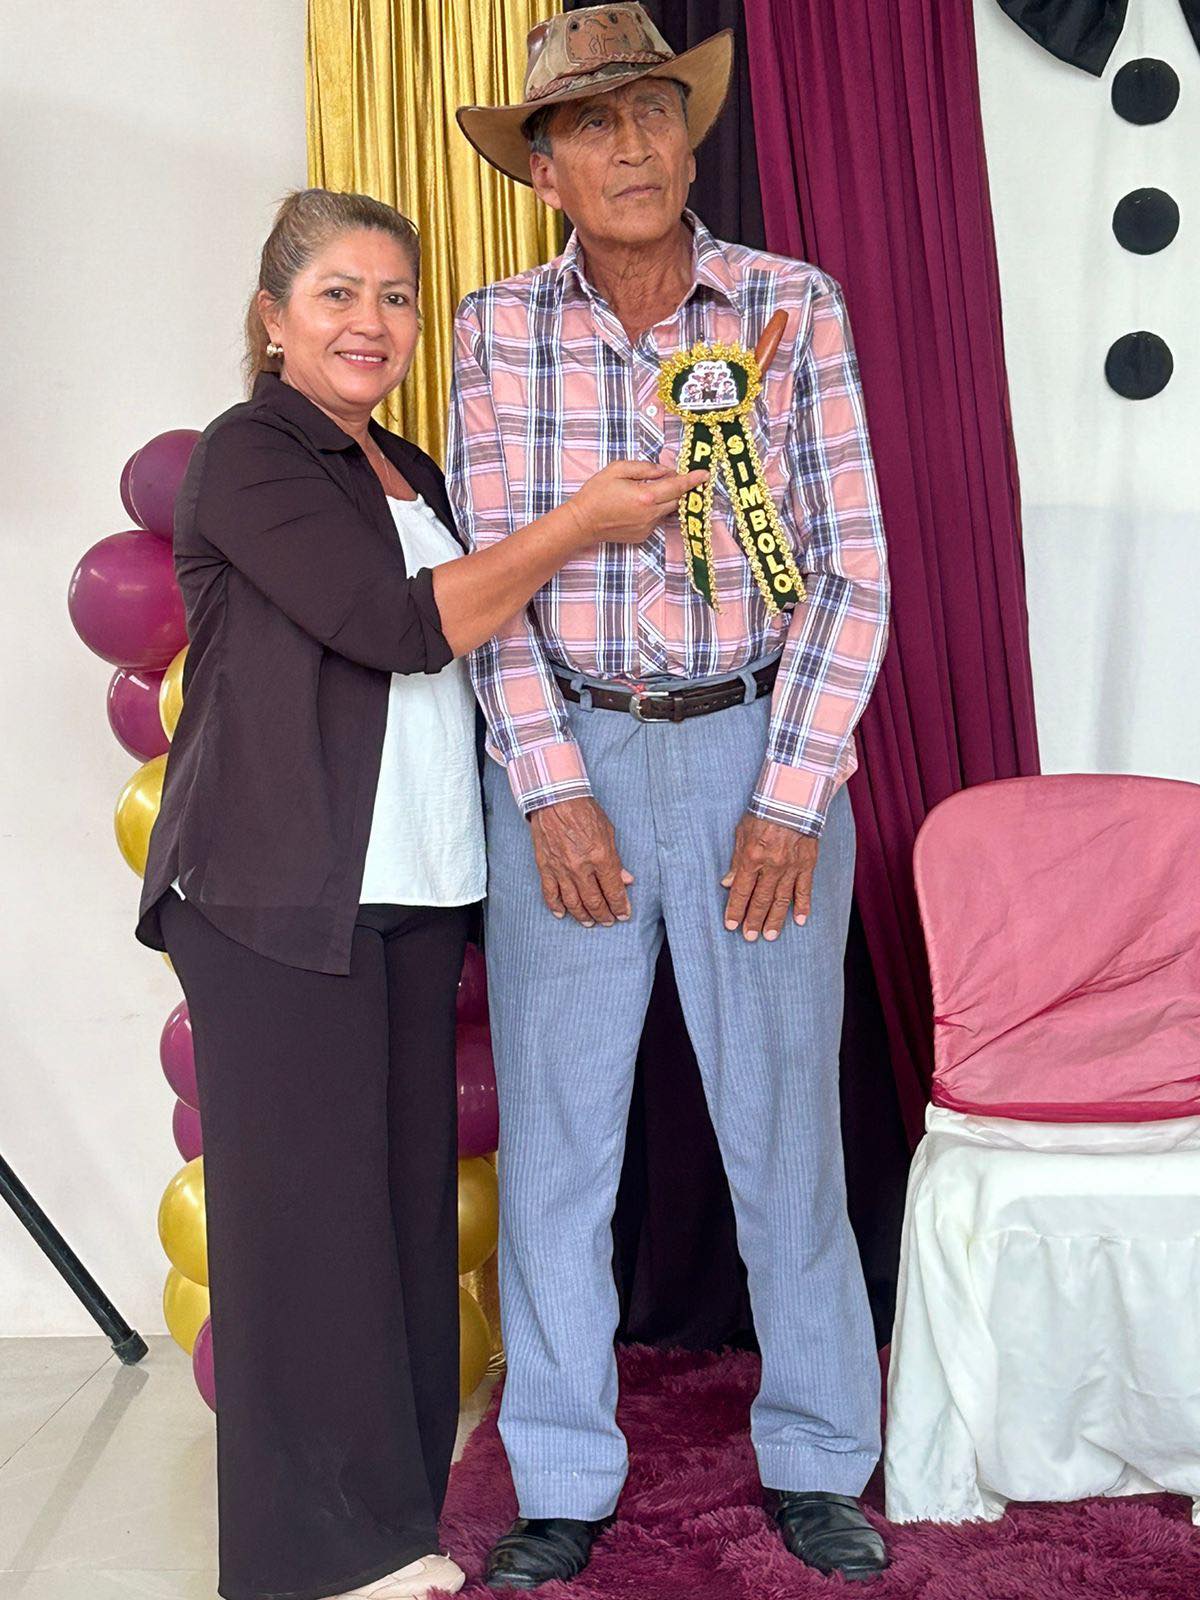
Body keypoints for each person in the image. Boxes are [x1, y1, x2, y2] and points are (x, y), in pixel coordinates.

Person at [136, 186, 706, 1600]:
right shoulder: (248, 455)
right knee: (302, 1242)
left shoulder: (406, 466)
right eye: (337, 294)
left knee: (393, 1226)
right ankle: (299, 1564)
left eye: (395, 298)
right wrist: (580, 523)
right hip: (278, 899)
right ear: (273, 318)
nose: (372, 322)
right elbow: (399, 627)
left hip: (414, 889)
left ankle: (390, 1533)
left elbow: (484, 648)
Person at [448, 6, 891, 1588]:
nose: (631, 147)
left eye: (652, 113)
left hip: (755, 749)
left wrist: (790, 794)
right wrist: (549, 786)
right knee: (562, 1149)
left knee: (786, 1138)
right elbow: (487, 580)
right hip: (566, 757)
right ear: (546, 172)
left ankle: (821, 1458)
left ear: (688, 137)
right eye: (593, 126)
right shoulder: (498, 331)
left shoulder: (790, 306)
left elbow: (850, 573)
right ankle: (561, 1477)